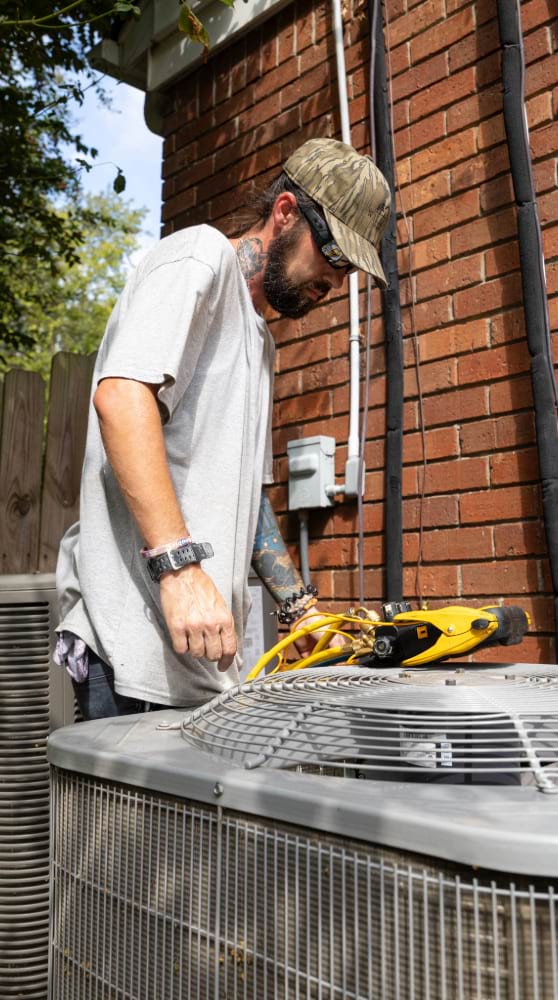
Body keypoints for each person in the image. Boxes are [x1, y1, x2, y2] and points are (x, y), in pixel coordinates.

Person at [54, 137, 391, 719]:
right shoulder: (200, 256)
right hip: (133, 650)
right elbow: (122, 397)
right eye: (334, 254)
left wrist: (298, 608)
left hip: (196, 659)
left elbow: (245, 495)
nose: (336, 281)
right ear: (285, 212)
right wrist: (180, 569)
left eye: (350, 271)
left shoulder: (259, 340)